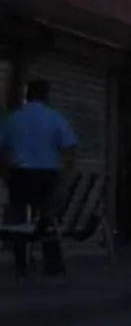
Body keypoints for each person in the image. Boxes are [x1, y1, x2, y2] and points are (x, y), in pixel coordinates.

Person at [1, 79, 78, 275]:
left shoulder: (14, 118)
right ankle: (52, 263)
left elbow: (2, 147)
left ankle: (21, 261)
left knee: (19, 219)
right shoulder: (54, 118)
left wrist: (5, 173)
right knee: (48, 217)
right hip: (46, 175)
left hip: (20, 174)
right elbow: (68, 147)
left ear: (27, 95)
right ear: (46, 95)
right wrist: (65, 174)